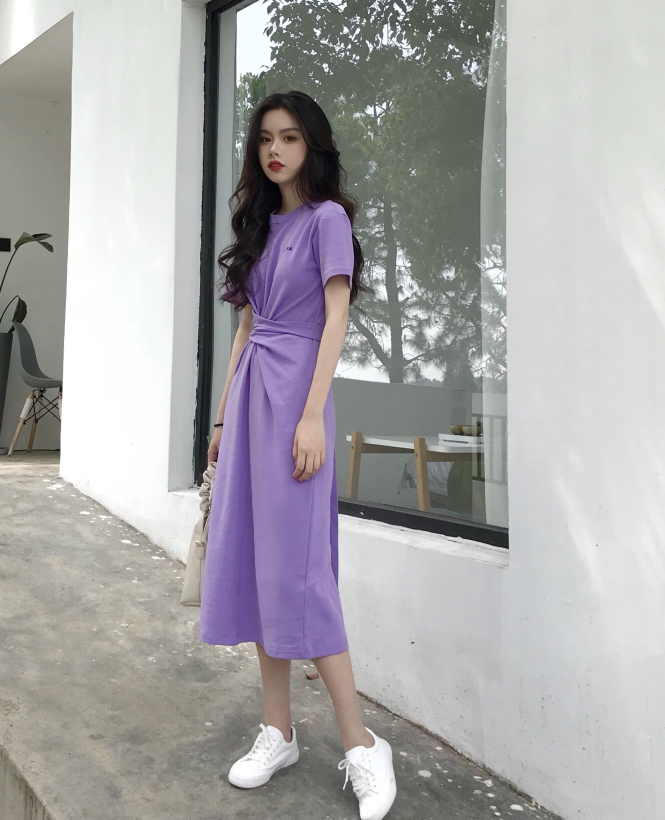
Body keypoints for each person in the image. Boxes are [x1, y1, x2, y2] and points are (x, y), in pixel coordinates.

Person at [197, 90, 397, 820]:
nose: (275, 150)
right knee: (261, 568)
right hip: (252, 403)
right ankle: (278, 730)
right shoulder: (261, 225)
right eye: (265, 139)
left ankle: (362, 744)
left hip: (297, 405)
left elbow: (336, 315)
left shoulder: (327, 220)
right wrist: (223, 417)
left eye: (288, 137)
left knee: (302, 576)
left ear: (311, 144)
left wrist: (312, 415)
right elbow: (246, 328)